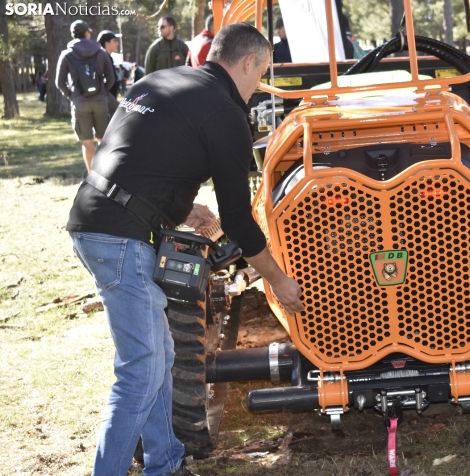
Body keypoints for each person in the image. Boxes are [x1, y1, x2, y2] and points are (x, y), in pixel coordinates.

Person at [66, 22, 303, 476]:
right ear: (249, 62)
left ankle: (166, 461)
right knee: (141, 370)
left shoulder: (161, 80)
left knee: (163, 357)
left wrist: (177, 205)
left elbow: (133, 154)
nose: (258, 86)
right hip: (120, 237)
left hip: (92, 215)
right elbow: (236, 219)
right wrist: (278, 280)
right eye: (262, 73)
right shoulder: (225, 113)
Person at [56, 20, 115, 173]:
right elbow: (111, 78)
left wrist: (72, 96)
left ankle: (92, 176)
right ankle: (106, 174)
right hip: (101, 102)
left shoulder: (67, 54)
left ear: (73, 35)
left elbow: (59, 82)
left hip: (80, 102)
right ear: (87, 33)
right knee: (104, 140)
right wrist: (102, 93)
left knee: (87, 142)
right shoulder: (101, 53)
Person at [97, 30, 121, 115]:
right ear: (106, 43)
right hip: (106, 99)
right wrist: (105, 93)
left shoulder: (108, 57)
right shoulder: (101, 58)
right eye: (114, 41)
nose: (117, 44)